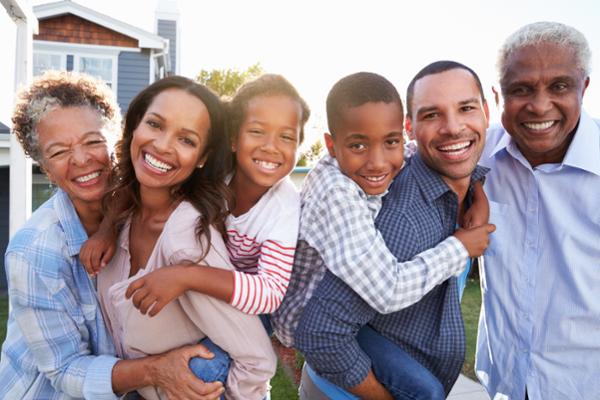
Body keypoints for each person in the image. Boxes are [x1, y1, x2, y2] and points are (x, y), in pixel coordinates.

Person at [0, 71, 224, 399]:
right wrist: (156, 369)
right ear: (44, 166)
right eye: (59, 152)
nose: (80, 159)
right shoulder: (34, 252)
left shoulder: (142, 205)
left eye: (93, 142)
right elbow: (64, 370)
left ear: (118, 139)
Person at [272, 72, 493, 399]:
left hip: (352, 315)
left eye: (390, 142)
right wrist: (460, 248)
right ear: (331, 145)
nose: (377, 162)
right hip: (310, 319)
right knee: (424, 391)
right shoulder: (339, 197)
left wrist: (478, 193)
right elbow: (387, 291)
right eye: (358, 144)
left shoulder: (397, 157)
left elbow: (443, 152)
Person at [95, 76, 277, 400]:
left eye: (187, 140)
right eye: (155, 124)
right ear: (135, 125)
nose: (163, 146)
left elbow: (257, 359)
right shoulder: (120, 213)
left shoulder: (188, 237)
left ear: (202, 158)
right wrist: (106, 227)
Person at [476, 21, 600, 399]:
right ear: (499, 97)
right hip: (506, 384)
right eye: (521, 89)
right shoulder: (477, 156)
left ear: (584, 87)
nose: (540, 105)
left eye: (559, 86)